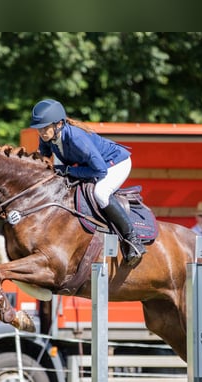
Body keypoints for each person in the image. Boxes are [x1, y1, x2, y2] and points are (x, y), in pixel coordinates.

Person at [29, 98, 146, 265]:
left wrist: (69, 171)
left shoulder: (76, 138)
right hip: (94, 166)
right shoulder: (47, 137)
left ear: (59, 124)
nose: (41, 132)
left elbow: (100, 171)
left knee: (101, 193)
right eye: (39, 129)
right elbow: (43, 157)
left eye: (45, 128)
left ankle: (133, 239)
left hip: (115, 163)